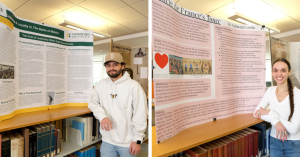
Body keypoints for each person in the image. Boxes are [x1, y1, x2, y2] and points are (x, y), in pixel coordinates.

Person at [88, 52, 148, 157]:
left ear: (122, 66)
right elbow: (92, 103)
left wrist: (137, 140)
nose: (111, 68)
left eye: (115, 65)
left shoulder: (134, 86)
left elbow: (141, 114)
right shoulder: (100, 85)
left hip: (128, 143)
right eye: (108, 65)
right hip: (107, 141)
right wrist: (102, 116)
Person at [253, 58, 300, 157]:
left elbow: (294, 129)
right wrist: (275, 121)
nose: (279, 74)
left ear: (289, 72)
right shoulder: (270, 91)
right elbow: (257, 112)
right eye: (275, 70)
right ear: (272, 72)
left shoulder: (298, 94)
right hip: (274, 142)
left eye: (283, 70)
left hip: (294, 144)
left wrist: (271, 113)